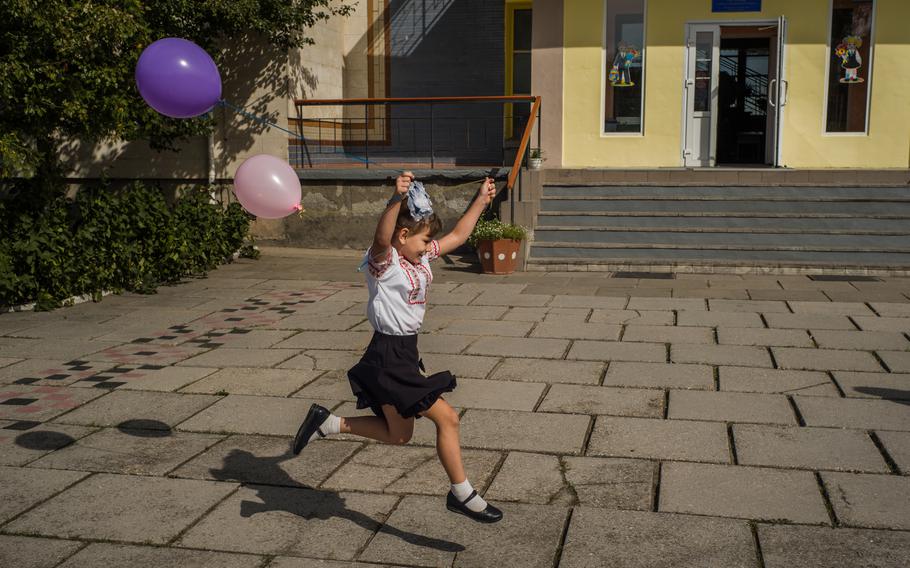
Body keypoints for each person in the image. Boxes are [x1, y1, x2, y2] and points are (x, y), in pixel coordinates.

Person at [293, 171, 502, 523]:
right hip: (388, 355)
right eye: (422, 241)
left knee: (399, 434)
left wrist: (482, 200)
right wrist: (394, 200)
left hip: (403, 353)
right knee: (447, 418)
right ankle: (462, 494)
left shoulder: (417, 260)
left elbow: (458, 235)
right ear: (403, 236)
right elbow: (380, 238)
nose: (427, 248)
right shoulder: (385, 263)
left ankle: (328, 423)